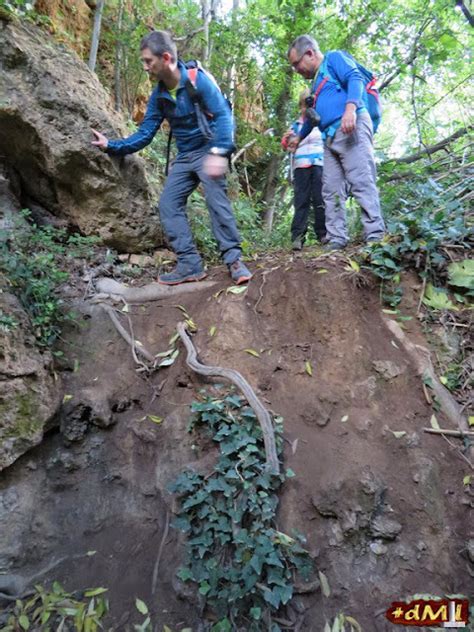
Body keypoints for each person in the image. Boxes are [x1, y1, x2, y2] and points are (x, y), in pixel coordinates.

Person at [92, 30, 252, 285]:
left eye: (148, 61)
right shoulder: (159, 95)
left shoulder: (197, 80)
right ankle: (190, 264)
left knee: (216, 200)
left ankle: (234, 261)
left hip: (209, 149)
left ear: (165, 58)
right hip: (185, 156)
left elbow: (223, 116)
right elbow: (145, 133)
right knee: (168, 203)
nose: (145, 67)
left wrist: (220, 152)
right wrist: (111, 145)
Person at [287, 35, 385, 250]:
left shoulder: (333, 59)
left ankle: (376, 236)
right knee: (330, 189)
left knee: (361, 180)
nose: (296, 69)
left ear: (310, 53)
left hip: (350, 126)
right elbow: (313, 118)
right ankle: (336, 238)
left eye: (296, 63)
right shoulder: (315, 84)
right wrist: (298, 138)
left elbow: (355, 78)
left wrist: (351, 109)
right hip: (328, 137)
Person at [281, 89, 326, 251]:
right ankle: (298, 237)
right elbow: (288, 146)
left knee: (320, 199)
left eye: (310, 103)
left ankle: (323, 234)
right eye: (304, 104)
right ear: (301, 106)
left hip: (320, 163)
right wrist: (287, 140)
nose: (306, 108)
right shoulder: (295, 125)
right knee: (301, 200)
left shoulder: (321, 122)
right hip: (300, 166)